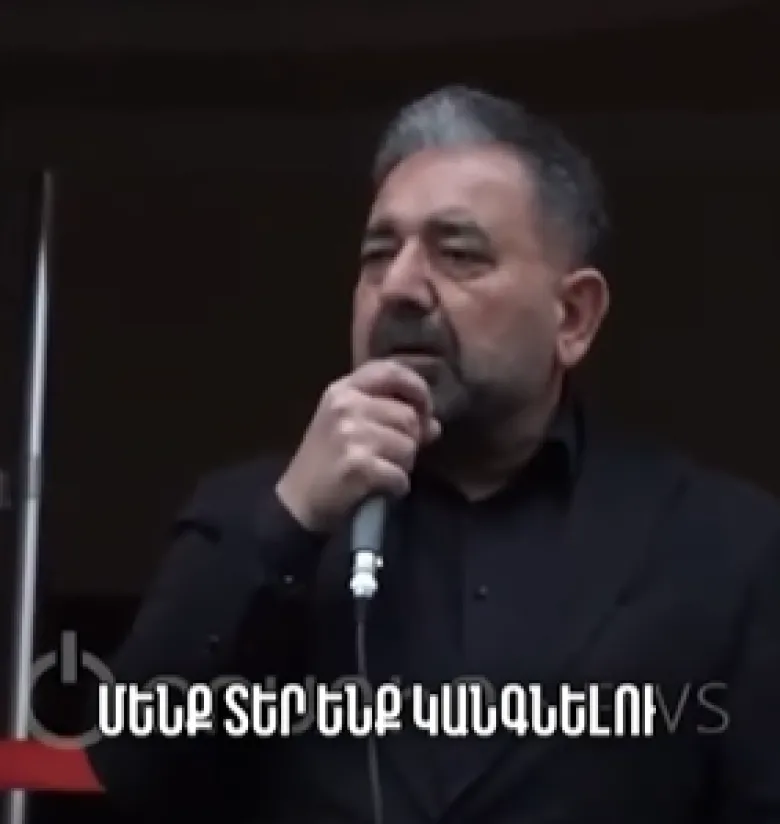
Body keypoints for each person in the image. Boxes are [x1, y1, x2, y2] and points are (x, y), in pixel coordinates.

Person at [85, 86, 780, 823]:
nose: (400, 288)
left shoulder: (723, 544)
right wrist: (288, 526)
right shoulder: (250, 515)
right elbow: (117, 772)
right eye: (378, 254)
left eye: (457, 255)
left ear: (573, 316)